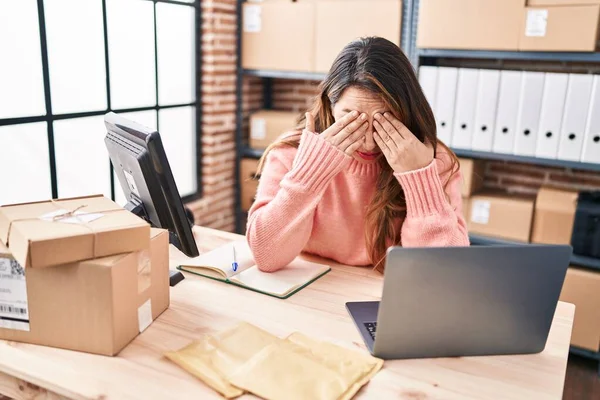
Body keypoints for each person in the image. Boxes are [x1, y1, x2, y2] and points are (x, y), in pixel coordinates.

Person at [246, 37, 469, 273]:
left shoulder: (433, 160)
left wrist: (419, 178)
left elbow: (444, 272)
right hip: (310, 286)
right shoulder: (292, 152)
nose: (370, 142)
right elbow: (265, 256)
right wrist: (308, 174)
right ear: (330, 107)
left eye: (385, 120)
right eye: (352, 118)